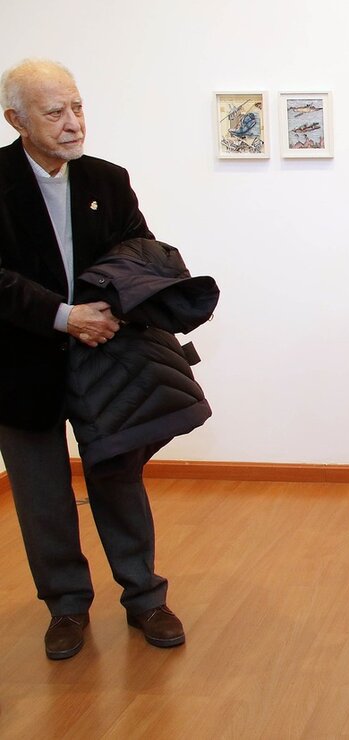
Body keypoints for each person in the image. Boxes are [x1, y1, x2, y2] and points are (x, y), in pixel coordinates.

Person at [0, 59, 186, 659]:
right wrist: (63, 314)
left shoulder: (108, 179)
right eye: (55, 113)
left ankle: (146, 598)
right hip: (20, 364)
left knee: (117, 478)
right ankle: (66, 607)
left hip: (104, 358)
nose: (73, 123)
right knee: (40, 491)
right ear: (15, 120)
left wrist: (106, 311)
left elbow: (139, 254)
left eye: (77, 106)